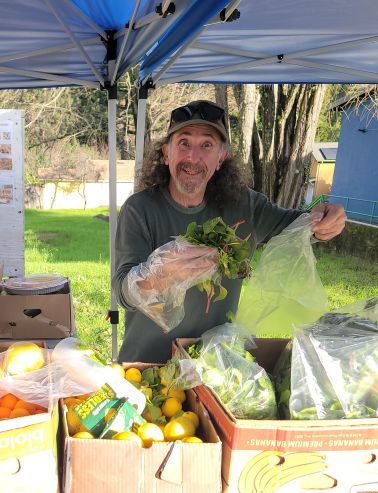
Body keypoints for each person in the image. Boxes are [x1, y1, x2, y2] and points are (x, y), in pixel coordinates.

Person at [113, 100, 347, 363]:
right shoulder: (140, 208)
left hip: (214, 364)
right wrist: (157, 276)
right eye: (184, 143)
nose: (193, 157)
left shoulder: (246, 206)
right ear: (166, 153)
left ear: (221, 158)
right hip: (147, 364)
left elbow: (298, 226)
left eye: (207, 145)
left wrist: (325, 218)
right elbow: (123, 292)